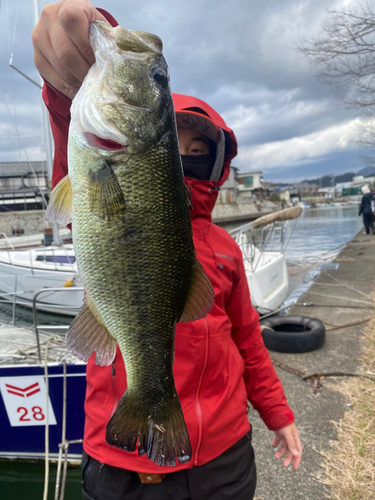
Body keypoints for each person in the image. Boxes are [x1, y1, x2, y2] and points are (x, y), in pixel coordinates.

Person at [32, 2, 302, 499]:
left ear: (216, 164)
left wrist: (279, 415)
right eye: (174, 143)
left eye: (199, 151)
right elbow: (72, 123)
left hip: (224, 456)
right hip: (117, 463)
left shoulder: (224, 248)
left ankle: (152, 394)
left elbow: (249, 341)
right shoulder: (95, 154)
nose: (185, 155)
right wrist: (64, 83)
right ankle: (147, 394)